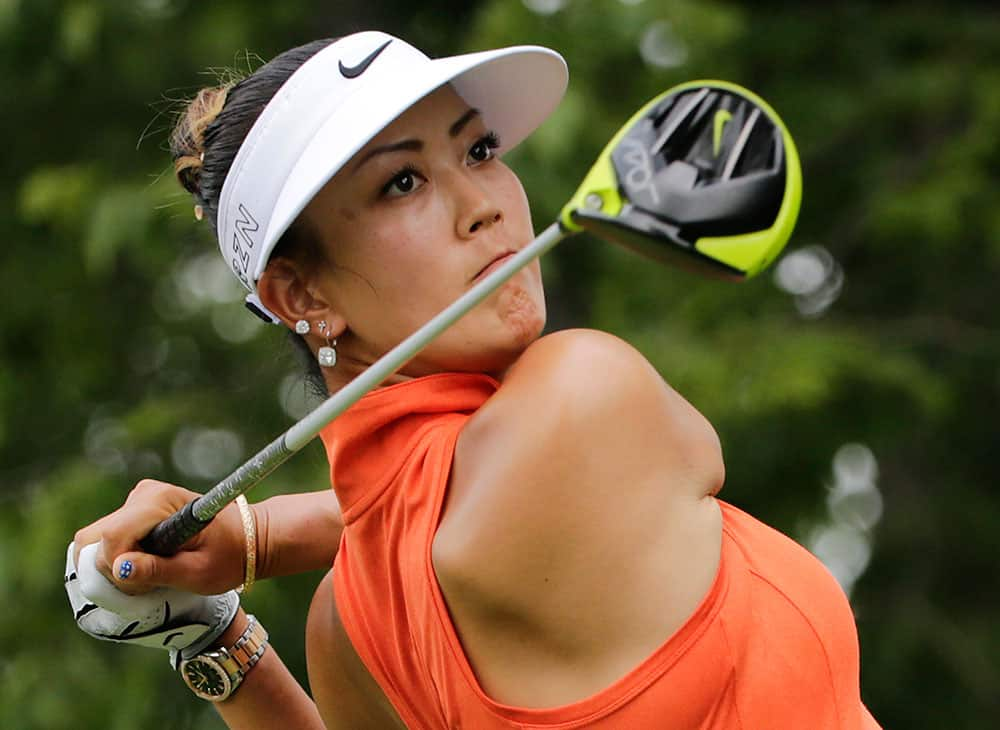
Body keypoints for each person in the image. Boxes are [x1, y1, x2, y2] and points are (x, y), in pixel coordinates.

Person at [66, 31, 881, 729]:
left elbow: (414, 511)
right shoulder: (585, 395)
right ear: (302, 296)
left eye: (480, 150)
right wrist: (260, 541)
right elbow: (477, 494)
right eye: (404, 183)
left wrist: (221, 643)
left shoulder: (347, 634)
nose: (485, 204)